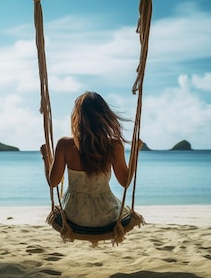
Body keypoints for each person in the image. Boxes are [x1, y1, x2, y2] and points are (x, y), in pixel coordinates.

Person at [41, 91, 139, 228]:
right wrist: (134, 154)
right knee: (126, 212)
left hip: (73, 216)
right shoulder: (114, 146)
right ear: (105, 116)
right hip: (107, 216)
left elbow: (53, 183)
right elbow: (125, 182)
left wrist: (46, 156)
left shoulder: (64, 144)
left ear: (77, 116)